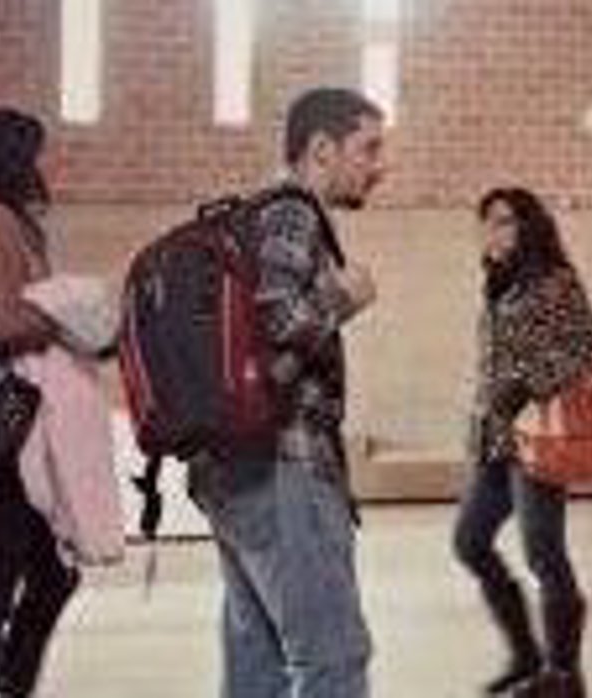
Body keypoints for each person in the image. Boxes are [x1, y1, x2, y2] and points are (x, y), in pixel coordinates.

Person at [194, 87, 384, 698]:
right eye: (369, 148)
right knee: (333, 660)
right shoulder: (292, 212)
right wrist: (345, 295)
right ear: (322, 149)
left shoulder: (252, 216)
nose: (379, 166)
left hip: (235, 469)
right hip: (285, 467)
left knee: (259, 665)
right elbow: (279, 320)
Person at [454, 187, 592, 697]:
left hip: (540, 437)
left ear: (529, 226)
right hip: (496, 442)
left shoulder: (555, 282)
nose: (492, 232)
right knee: (470, 542)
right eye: (486, 222)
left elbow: (590, 354)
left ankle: (563, 673)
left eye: (504, 221)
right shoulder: (498, 284)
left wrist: (525, 383)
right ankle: (525, 653)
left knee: (544, 553)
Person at [0, 107, 80, 698]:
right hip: (1, 425)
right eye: (36, 151)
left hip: (12, 423)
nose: (45, 164)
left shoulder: (8, 220)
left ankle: (7, 680)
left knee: (48, 570)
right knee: (6, 574)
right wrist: (59, 316)